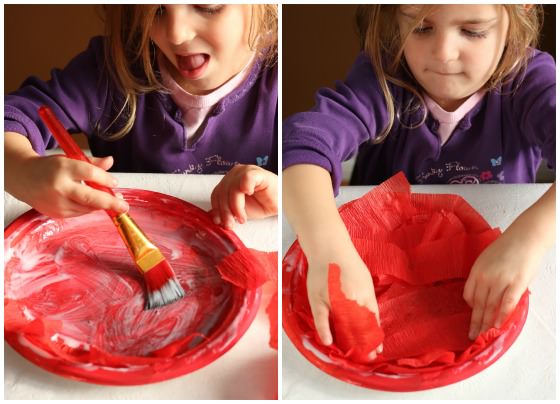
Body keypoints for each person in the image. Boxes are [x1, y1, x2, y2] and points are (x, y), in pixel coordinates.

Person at [283, 4, 555, 359]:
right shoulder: (382, 77)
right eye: (421, 29)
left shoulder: (530, 81)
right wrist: (329, 253)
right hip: (379, 263)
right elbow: (301, 147)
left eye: (472, 31)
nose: (443, 53)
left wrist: (529, 239)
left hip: (497, 255)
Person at [5, 4, 278, 227]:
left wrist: (282, 193)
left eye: (206, 6)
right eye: (157, 10)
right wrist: (22, 171)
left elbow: (310, 168)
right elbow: (12, 117)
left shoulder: (277, 81)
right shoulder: (109, 71)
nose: (176, 35)